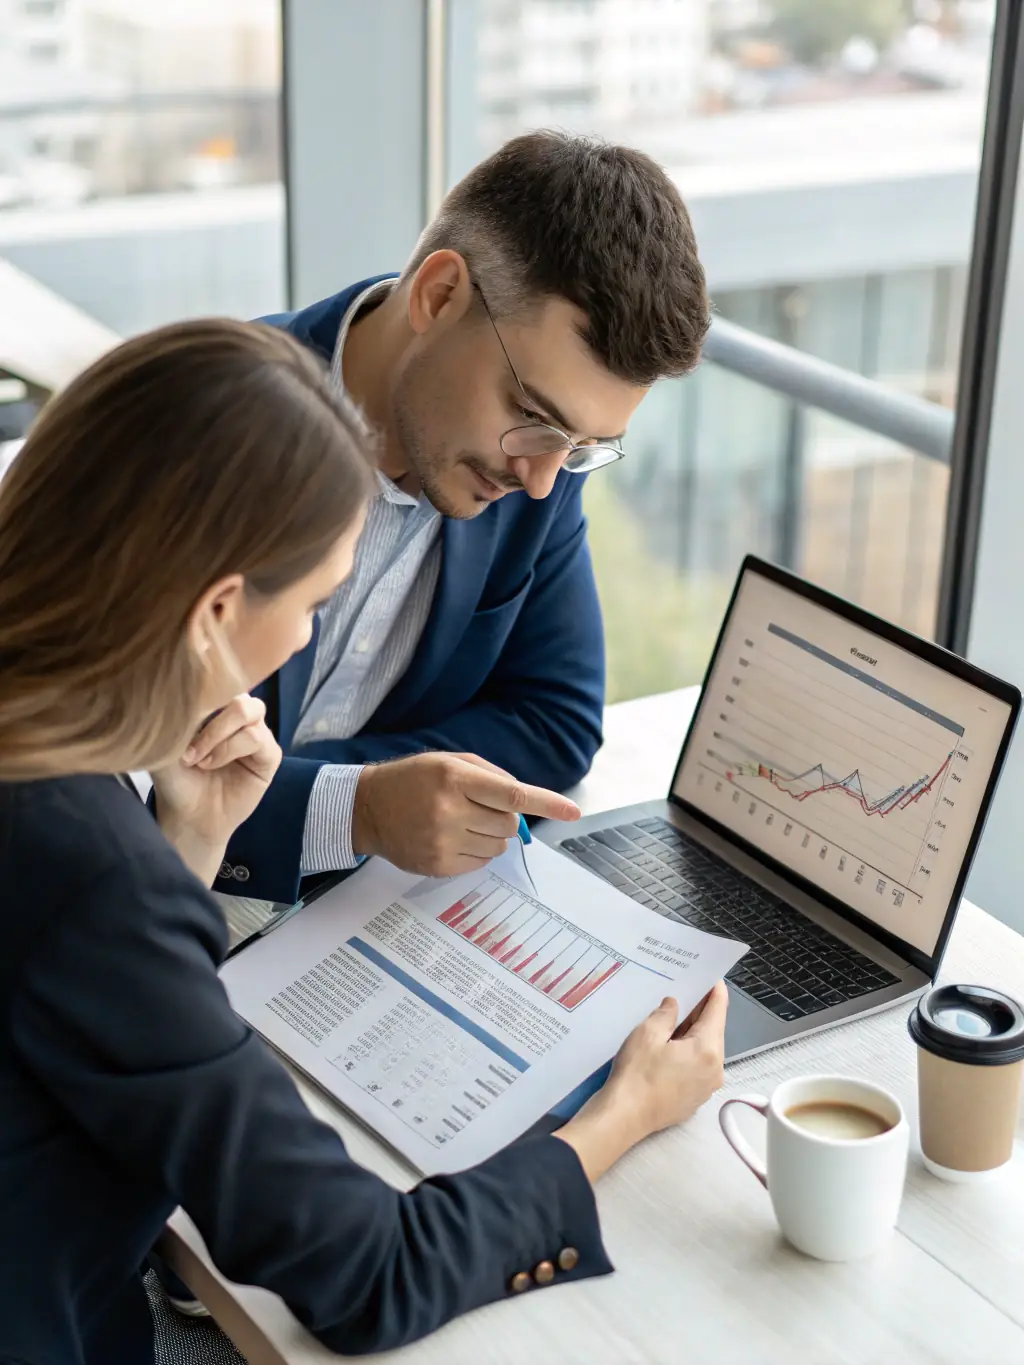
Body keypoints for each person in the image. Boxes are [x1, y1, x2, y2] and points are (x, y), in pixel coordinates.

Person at [0, 318, 728, 1365]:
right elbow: (367, 1274)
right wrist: (623, 1114)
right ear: (216, 611)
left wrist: (192, 841)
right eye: (314, 602)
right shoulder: (90, 871)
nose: (305, 633)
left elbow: (91, 1008)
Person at [213, 131, 710, 906]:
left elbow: (555, 721)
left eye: (583, 446)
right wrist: (356, 808)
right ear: (439, 295)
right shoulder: (195, 431)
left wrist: (356, 794)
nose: (541, 482)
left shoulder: (537, 464)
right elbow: (116, 777)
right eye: (533, 415)